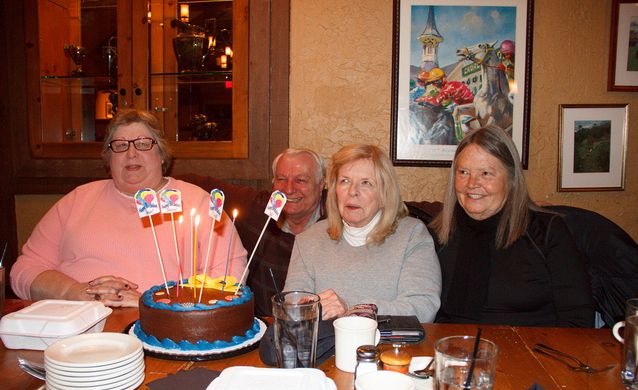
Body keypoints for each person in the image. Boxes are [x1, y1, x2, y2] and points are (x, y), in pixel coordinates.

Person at [11, 110, 247, 308]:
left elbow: (231, 278)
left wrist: (152, 302)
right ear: (108, 157)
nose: (131, 153)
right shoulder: (76, 200)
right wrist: (74, 292)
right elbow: (24, 269)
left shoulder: (199, 204)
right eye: (120, 145)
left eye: (144, 144)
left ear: (162, 154)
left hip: (159, 332)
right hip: (73, 329)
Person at [430, 125, 594, 327]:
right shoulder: (437, 234)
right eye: (463, 172)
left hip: (531, 351)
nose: (472, 183)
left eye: (486, 173)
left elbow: (578, 319)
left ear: (511, 178)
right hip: (453, 351)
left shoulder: (547, 231)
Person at [283, 144, 441, 322]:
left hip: (387, 348)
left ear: (384, 193)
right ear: (335, 190)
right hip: (324, 348)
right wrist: (309, 308)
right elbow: (291, 307)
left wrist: (353, 311)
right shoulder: (308, 240)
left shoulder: (412, 235)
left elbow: (424, 307)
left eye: (366, 183)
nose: (352, 192)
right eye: (345, 181)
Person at [177, 148, 326, 316]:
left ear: (321, 184)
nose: (289, 189)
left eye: (301, 180)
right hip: (259, 328)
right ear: (273, 182)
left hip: (313, 328)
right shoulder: (256, 208)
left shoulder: (334, 225)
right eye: (281, 179)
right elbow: (199, 182)